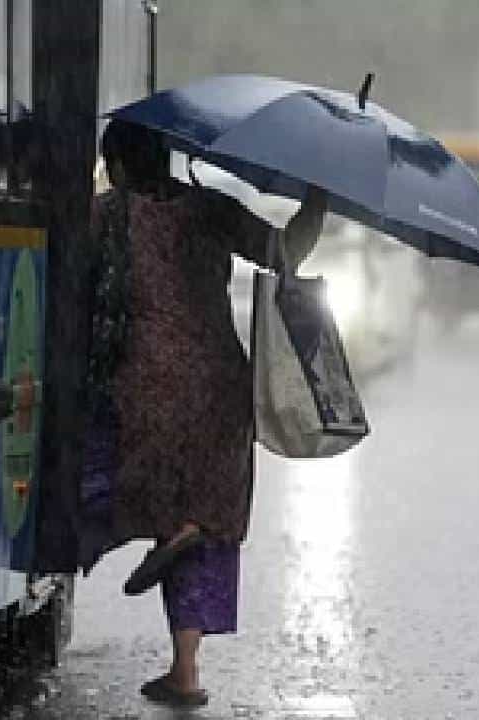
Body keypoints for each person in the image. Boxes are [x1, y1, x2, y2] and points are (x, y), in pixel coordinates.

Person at [82, 120, 327, 708]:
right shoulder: (210, 210)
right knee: (204, 519)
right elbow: (284, 252)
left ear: (117, 164)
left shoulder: (106, 217)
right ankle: (185, 671)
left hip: (144, 385)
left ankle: (82, 550)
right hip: (219, 384)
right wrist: (318, 201)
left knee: (123, 490)